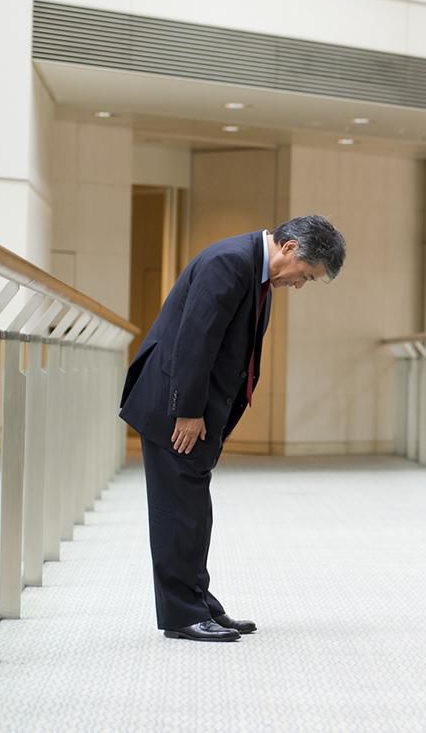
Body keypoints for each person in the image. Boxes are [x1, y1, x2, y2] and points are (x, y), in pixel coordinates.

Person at [120, 216, 345, 642]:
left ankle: (199, 605)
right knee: (177, 513)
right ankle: (183, 615)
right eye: (306, 276)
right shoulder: (228, 262)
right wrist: (186, 411)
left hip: (195, 408)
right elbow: (194, 340)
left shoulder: (253, 268)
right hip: (175, 408)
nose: (299, 285)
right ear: (292, 249)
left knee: (192, 510)